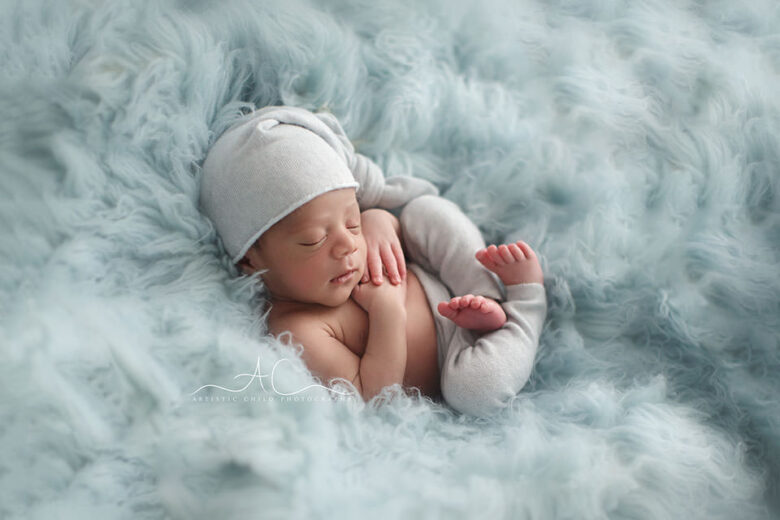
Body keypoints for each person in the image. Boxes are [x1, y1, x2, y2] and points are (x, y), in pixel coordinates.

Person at [199, 105, 547, 417]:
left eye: (351, 221)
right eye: (313, 240)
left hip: (446, 281)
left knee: (424, 213)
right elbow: (371, 396)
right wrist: (388, 312)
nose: (347, 246)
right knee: (472, 391)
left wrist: (379, 221)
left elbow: (388, 231)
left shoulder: (351, 240)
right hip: (453, 360)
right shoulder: (296, 328)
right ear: (250, 260)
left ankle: (486, 293)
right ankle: (527, 304)